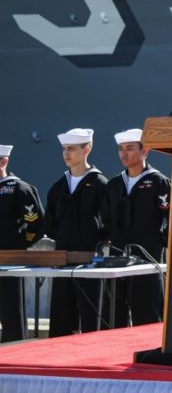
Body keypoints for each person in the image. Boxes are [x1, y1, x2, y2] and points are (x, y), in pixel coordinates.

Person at [102, 128, 170, 327]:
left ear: (145, 151)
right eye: (120, 149)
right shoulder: (114, 184)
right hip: (117, 256)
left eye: (129, 148)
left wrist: (160, 241)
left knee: (147, 312)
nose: (124, 154)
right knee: (114, 313)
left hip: (147, 258)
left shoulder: (159, 182)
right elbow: (106, 219)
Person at [44, 128, 108, 337]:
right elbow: (50, 225)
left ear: (87, 149)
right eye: (64, 149)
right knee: (62, 315)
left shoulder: (101, 184)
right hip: (62, 259)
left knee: (92, 316)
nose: (66, 154)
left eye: (71, 148)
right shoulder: (58, 187)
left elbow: (108, 223)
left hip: (91, 261)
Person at [0, 144, 44, 342]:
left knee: (11, 312)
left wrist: (18, 245)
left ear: (4, 161)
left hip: (10, 261)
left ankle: (13, 353)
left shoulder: (19, 189)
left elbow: (35, 226)